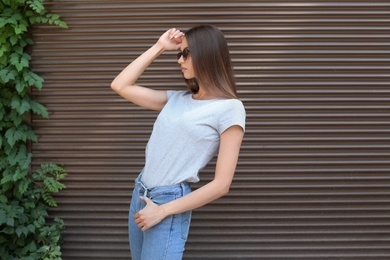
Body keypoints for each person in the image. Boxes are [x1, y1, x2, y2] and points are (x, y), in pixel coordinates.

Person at [111, 25, 246, 260]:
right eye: (179, 53)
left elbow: (222, 184)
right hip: (141, 192)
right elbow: (120, 85)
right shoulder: (177, 98)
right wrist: (159, 46)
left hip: (167, 202)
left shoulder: (230, 108)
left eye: (186, 53)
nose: (179, 60)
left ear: (206, 53)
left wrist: (162, 211)